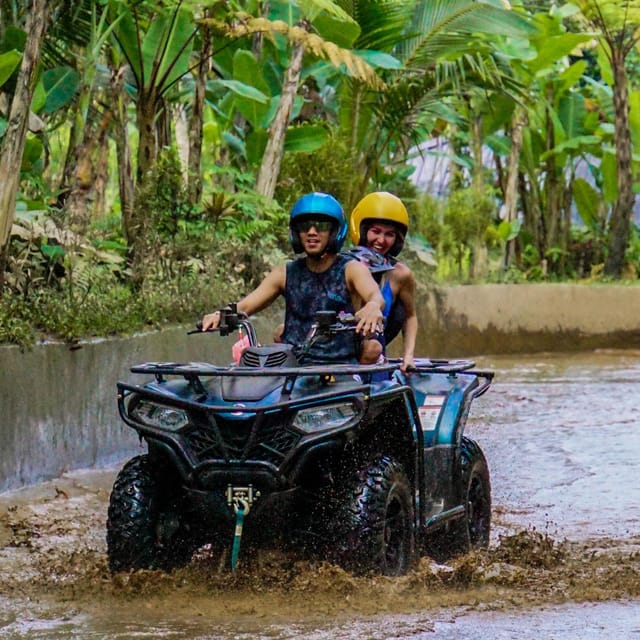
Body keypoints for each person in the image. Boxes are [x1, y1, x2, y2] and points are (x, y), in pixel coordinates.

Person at [201, 192, 385, 364]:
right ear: (296, 233)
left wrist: (373, 306)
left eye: (320, 226)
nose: (312, 232)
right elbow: (246, 306)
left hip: (339, 368)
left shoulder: (350, 269)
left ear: (335, 232)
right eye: (305, 226)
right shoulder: (286, 272)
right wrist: (220, 315)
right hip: (291, 367)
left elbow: (374, 295)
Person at [348, 191, 417, 370]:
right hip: (336, 352)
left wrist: (408, 357)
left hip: (373, 353)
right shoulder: (343, 266)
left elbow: (410, 317)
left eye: (389, 234)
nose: (381, 240)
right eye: (375, 232)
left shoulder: (401, 274)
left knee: (372, 349)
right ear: (362, 231)